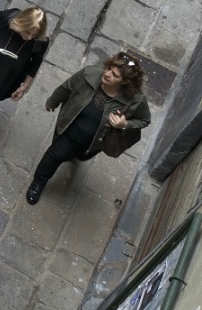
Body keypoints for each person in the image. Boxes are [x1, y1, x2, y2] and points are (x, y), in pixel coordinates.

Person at [29, 53, 151, 204]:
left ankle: (74, 155)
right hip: (69, 131)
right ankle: (39, 182)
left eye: (114, 75)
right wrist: (52, 102)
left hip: (94, 143)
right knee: (55, 155)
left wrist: (124, 124)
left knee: (81, 157)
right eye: (108, 68)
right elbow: (67, 87)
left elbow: (144, 120)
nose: (107, 74)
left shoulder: (135, 100)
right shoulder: (90, 73)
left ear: (125, 81)